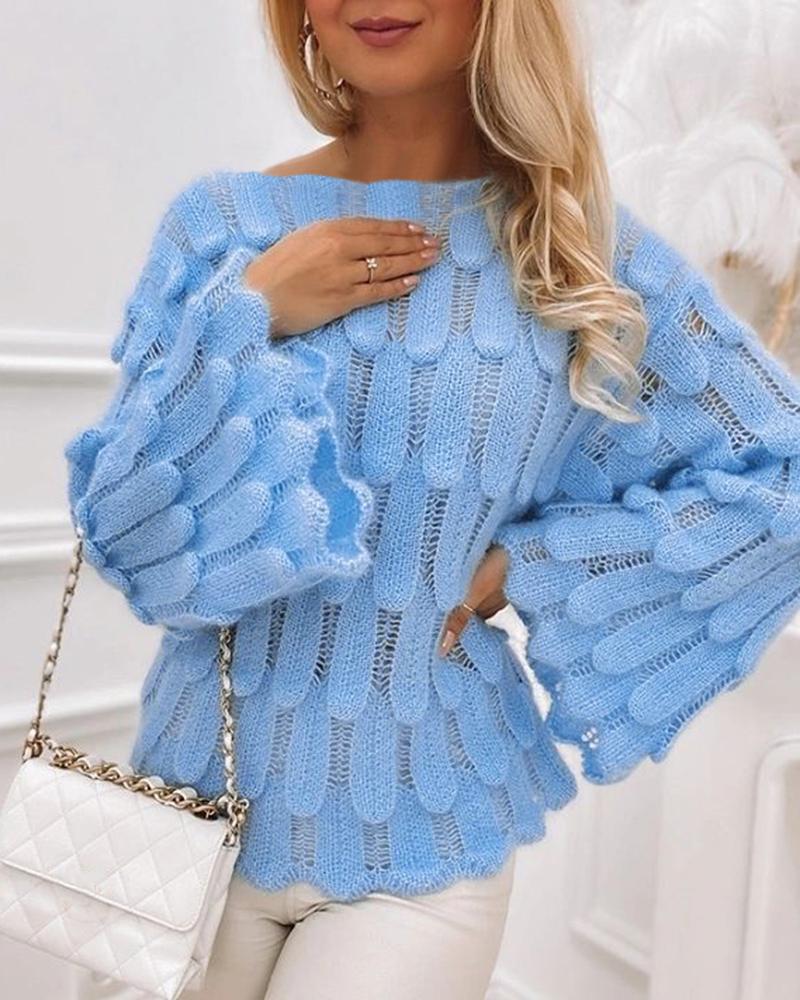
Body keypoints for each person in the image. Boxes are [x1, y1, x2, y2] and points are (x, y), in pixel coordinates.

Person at [67, 1, 800, 998]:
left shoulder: (579, 251)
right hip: (188, 808)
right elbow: (126, 532)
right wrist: (247, 315)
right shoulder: (220, 229)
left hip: (425, 829)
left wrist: (546, 564)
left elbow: (779, 468)